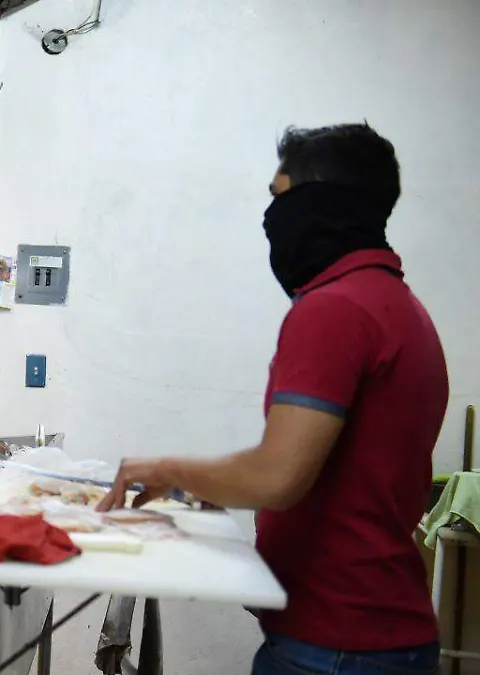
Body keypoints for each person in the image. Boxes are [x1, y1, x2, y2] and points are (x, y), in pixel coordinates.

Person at [97, 124, 446, 675]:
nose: (271, 219)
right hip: (372, 633)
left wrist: (167, 469)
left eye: (279, 197)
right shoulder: (398, 305)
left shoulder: (335, 310)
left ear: (323, 199)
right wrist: (207, 485)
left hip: (336, 645)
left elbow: (279, 477)